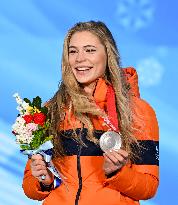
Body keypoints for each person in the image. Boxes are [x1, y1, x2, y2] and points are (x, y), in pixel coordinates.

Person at [22, 21, 159, 205]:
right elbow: (30, 186)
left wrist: (117, 172)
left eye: (90, 50)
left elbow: (149, 187)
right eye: (73, 51)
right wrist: (44, 181)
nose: (79, 59)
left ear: (107, 55)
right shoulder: (50, 110)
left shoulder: (138, 111)